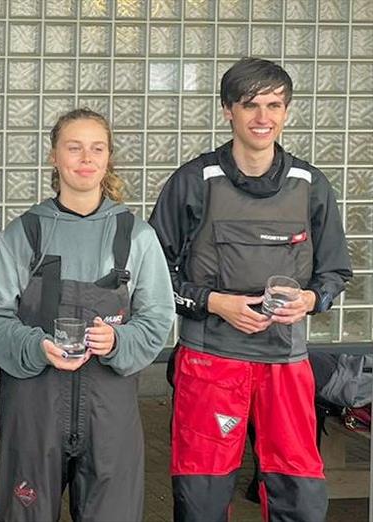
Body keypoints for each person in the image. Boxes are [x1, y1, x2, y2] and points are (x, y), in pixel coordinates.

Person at [149, 57, 353, 521]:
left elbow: (335, 272)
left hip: (285, 362)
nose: (264, 117)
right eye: (251, 105)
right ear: (228, 111)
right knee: (201, 494)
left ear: (287, 111)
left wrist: (311, 299)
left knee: (298, 491)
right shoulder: (193, 182)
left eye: (274, 105)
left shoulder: (311, 185)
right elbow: (151, 272)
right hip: (210, 360)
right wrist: (213, 302)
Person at [0, 108, 175, 521]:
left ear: (108, 158)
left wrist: (118, 341)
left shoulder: (136, 236)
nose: (86, 158)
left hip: (109, 413)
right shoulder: (24, 233)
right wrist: (35, 346)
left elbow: (157, 319)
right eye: (74, 147)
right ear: (54, 157)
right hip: (34, 411)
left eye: (96, 148)